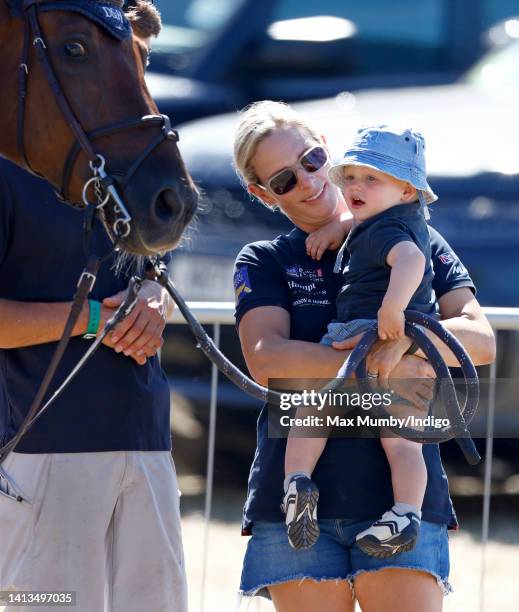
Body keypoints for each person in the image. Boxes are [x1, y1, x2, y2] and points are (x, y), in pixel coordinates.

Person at [232, 101, 495, 612]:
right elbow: (266, 359)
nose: (308, 182)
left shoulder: (415, 235)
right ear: (261, 194)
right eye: (284, 180)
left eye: (310, 160)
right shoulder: (265, 260)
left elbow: (480, 340)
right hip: (296, 502)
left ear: (327, 151)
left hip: (401, 498)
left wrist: (407, 342)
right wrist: (378, 360)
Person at [0, 7, 188, 612]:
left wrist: (154, 298)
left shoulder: (108, 175)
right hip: (42, 449)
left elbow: (144, 275)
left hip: (144, 443)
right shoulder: (11, 170)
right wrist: (90, 321)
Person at [282, 125, 440, 556]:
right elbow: (378, 226)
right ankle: (405, 513)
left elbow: (408, 259)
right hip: (409, 346)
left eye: (372, 178)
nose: (355, 186)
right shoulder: (396, 219)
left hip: (363, 332)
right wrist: (340, 227)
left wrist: (392, 308)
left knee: (312, 411)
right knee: (403, 440)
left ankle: (296, 482)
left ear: (407, 190)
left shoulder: (385, 232)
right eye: (350, 176)